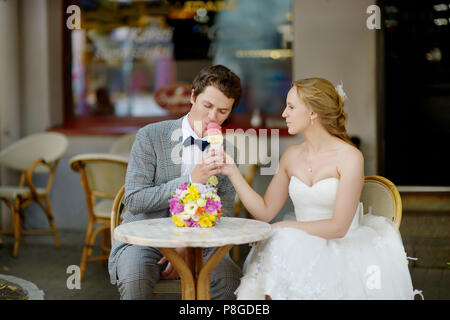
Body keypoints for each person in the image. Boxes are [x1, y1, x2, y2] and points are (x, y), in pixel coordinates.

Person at [218, 77, 420, 299]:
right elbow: (265, 211)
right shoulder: (291, 155)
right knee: (281, 244)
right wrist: (232, 172)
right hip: (298, 241)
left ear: (313, 112)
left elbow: (339, 227)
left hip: (344, 246)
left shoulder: (350, 157)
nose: (284, 113)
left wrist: (282, 227)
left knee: (281, 240)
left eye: (291, 107)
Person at [108, 65, 243, 300]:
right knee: (136, 279)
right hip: (145, 237)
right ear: (192, 97)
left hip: (203, 242)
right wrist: (192, 180)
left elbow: (227, 210)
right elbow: (135, 200)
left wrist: (188, 245)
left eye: (222, 111)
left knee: (230, 279)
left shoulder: (226, 150)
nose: (213, 117)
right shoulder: (150, 136)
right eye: (207, 106)